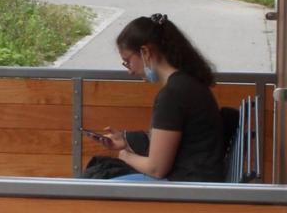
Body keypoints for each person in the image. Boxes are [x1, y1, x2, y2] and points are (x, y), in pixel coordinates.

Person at [86, 13, 225, 182]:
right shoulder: (188, 84)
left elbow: (156, 168)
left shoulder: (173, 95)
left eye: (127, 61)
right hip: (198, 180)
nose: (129, 70)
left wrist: (124, 154)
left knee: (94, 183)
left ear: (145, 51)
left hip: (186, 188)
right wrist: (126, 141)